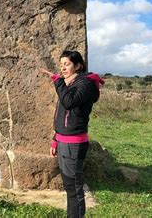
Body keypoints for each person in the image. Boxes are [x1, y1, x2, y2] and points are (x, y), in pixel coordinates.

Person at [39, 50, 104, 218]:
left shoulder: (85, 84)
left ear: (78, 65)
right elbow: (61, 115)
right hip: (63, 141)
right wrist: (55, 140)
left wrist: (57, 81)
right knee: (69, 186)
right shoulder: (70, 84)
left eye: (67, 64)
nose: (63, 68)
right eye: (61, 65)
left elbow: (68, 103)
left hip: (74, 143)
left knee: (74, 188)